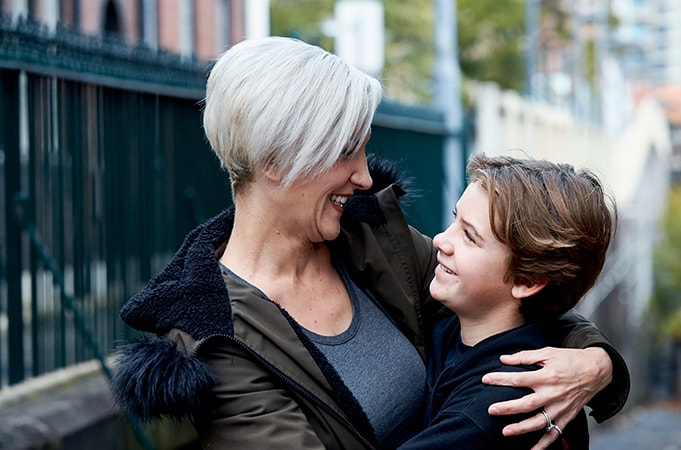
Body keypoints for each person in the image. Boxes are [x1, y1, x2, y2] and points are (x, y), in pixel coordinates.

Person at [110, 36, 629, 450]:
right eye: (344, 152)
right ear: (277, 163)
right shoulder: (219, 339)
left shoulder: (369, 238)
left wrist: (596, 364)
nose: (363, 176)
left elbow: (518, 298)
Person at [398, 153, 617, 450]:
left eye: (469, 236)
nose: (440, 240)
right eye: (455, 220)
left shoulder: (499, 406)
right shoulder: (450, 326)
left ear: (526, 281)